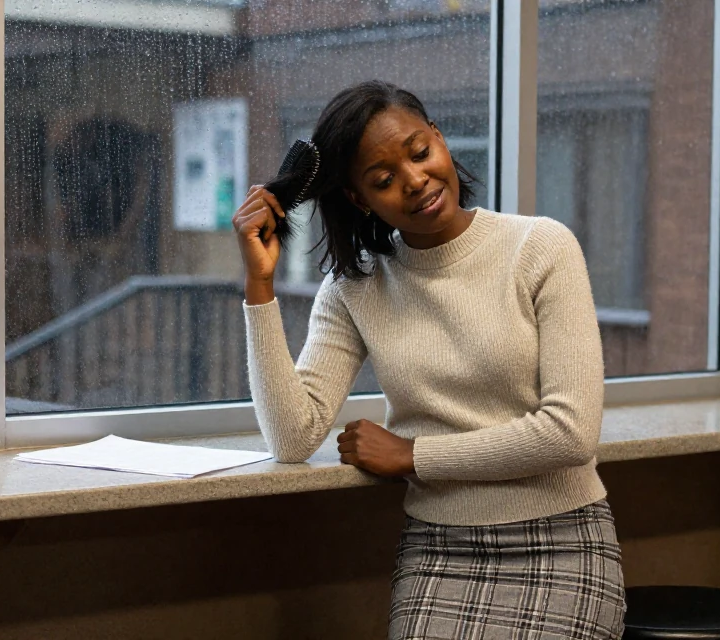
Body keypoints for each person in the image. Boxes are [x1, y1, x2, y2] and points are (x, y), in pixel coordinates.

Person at [233, 80, 625, 640]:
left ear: (439, 139)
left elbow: (570, 434)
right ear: (359, 200)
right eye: (383, 180)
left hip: (561, 538)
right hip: (438, 550)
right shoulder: (355, 287)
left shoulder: (541, 247)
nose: (415, 180)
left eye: (419, 152)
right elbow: (293, 437)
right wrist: (259, 284)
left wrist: (412, 454)